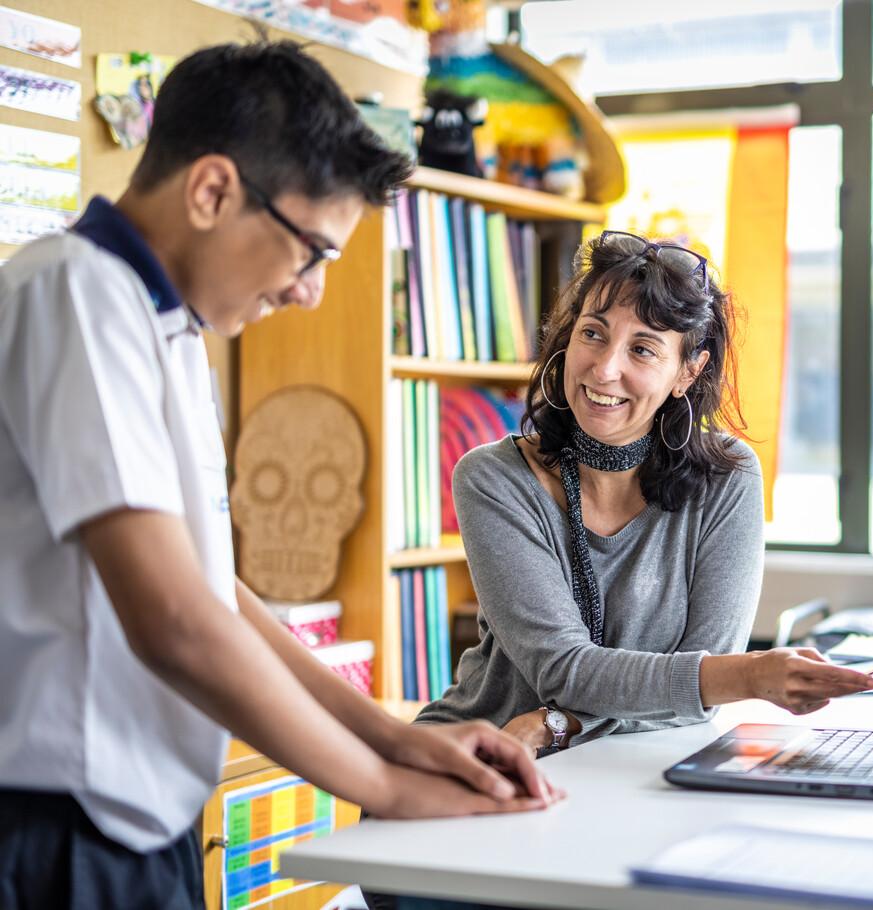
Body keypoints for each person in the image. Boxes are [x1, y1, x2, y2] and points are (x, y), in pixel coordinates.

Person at [0, 39, 556, 910]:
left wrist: (396, 738)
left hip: (140, 817)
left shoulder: (168, 325)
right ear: (213, 190)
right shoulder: (75, 291)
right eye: (311, 252)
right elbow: (175, 621)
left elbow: (210, 590)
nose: (308, 293)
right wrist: (380, 787)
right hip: (57, 824)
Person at [415, 230, 873, 752]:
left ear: (687, 371)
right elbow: (569, 671)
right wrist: (745, 676)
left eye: (642, 348)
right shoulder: (493, 478)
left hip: (617, 762)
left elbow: (702, 690)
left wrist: (559, 725)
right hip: (482, 758)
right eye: (593, 334)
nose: (605, 367)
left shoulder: (727, 478)